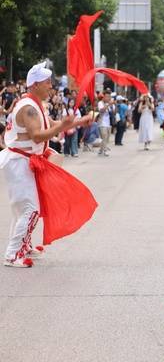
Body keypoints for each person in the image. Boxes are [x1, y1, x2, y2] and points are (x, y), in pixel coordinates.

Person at [1, 63, 93, 267]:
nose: (50, 86)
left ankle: (23, 245)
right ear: (34, 85)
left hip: (25, 161)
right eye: (47, 82)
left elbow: (51, 125)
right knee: (30, 209)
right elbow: (37, 136)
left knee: (24, 208)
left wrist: (79, 122)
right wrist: (62, 126)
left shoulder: (35, 104)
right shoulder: (28, 108)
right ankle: (13, 254)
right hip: (20, 161)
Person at [95, 90, 114, 157]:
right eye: (107, 96)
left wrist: (113, 105)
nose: (108, 98)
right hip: (101, 123)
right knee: (104, 136)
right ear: (104, 96)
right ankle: (105, 151)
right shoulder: (100, 103)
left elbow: (113, 112)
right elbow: (101, 110)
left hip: (108, 123)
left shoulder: (110, 103)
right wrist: (108, 104)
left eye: (109, 96)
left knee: (106, 138)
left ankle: (100, 150)